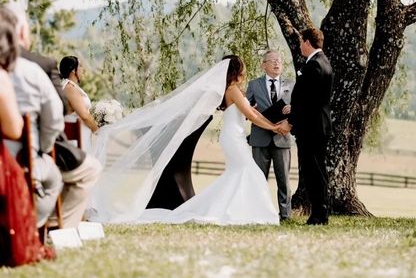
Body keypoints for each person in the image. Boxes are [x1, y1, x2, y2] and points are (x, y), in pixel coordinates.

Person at [90, 55, 281, 225]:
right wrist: (273, 127)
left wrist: (273, 124)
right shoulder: (233, 90)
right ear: (237, 71)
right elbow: (252, 115)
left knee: (238, 174)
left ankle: (237, 209)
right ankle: (242, 211)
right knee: (248, 171)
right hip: (234, 137)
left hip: (233, 136)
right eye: (243, 69)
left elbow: (253, 112)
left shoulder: (230, 90)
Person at [4, 4, 102, 228]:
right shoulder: (37, 69)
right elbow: (55, 118)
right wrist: (44, 150)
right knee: (83, 171)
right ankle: (56, 229)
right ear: (20, 32)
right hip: (28, 158)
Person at [0, 8, 55, 266]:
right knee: (50, 178)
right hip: (9, 165)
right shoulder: (6, 77)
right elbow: (14, 129)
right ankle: (32, 229)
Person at [279, 27, 333, 225]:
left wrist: (291, 121)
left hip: (312, 128)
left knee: (313, 172)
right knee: (316, 171)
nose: (300, 45)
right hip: (317, 126)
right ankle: (320, 213)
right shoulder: (323, 62)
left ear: (308, 42)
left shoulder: (315, 66)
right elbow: (311, 98)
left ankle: (319, 215)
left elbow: (307, 102)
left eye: (301, 41)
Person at [246, 50, 295, 221]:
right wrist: (253, 110)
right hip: (259, 139)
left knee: (284, 181)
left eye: (279, 60)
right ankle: (258, 214)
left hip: (282, 138)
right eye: (272, 60)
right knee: (259, 180)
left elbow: (299, 108)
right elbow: (246, 110)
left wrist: (292, 112)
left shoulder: (291, 83)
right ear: (263, 65)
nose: (277, 63)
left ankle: (285, 216)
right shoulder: (254, 85)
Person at [59, 55, 99, 152]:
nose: (83, 69)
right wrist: (97, 130)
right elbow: (84, 115)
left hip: (82, 133)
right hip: (76, 137)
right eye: (80, 66)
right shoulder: (69, 88)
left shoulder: (71, 87)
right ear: (73, 70)